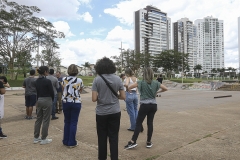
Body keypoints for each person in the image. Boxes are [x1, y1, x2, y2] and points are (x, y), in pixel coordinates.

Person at [124, 67, 167, 149]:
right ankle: (148, 142)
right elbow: (165, 88)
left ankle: (133, 141)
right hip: (153, 105)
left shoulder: (140, 82)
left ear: (144, 74)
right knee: (150, 123)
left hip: (144, 105)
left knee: (138, 123)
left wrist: (127, 89)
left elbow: (129, 87)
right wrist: (157, 92)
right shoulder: (156, 83)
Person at [92, 57, 125, 160]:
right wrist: (115, 97)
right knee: (114, 137)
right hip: (115, 111)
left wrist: (101, 97)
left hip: (101, 113)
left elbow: (94, 99)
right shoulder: (117, 79)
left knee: (102, 138)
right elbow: (123, 96)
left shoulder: (97, 80)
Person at [62, 64, 84, 148]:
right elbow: (80, 90)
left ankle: (65, 140)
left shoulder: (64, 79)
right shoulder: (79, 80)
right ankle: (71, 142)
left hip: (66, 101)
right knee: (73, 122)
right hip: (76, 102)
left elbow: (63, 89)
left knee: (67, 121)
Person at [34, 66, 54, 145]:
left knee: (38, 119)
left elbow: (37, 92)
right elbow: (51, 92)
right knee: (46, 119)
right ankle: (44, 138)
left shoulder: (36, 81)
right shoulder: (47, 81)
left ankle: (36, 137)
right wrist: (52, 100)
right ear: (45, 71)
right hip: (47, 99)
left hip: (39, 99)